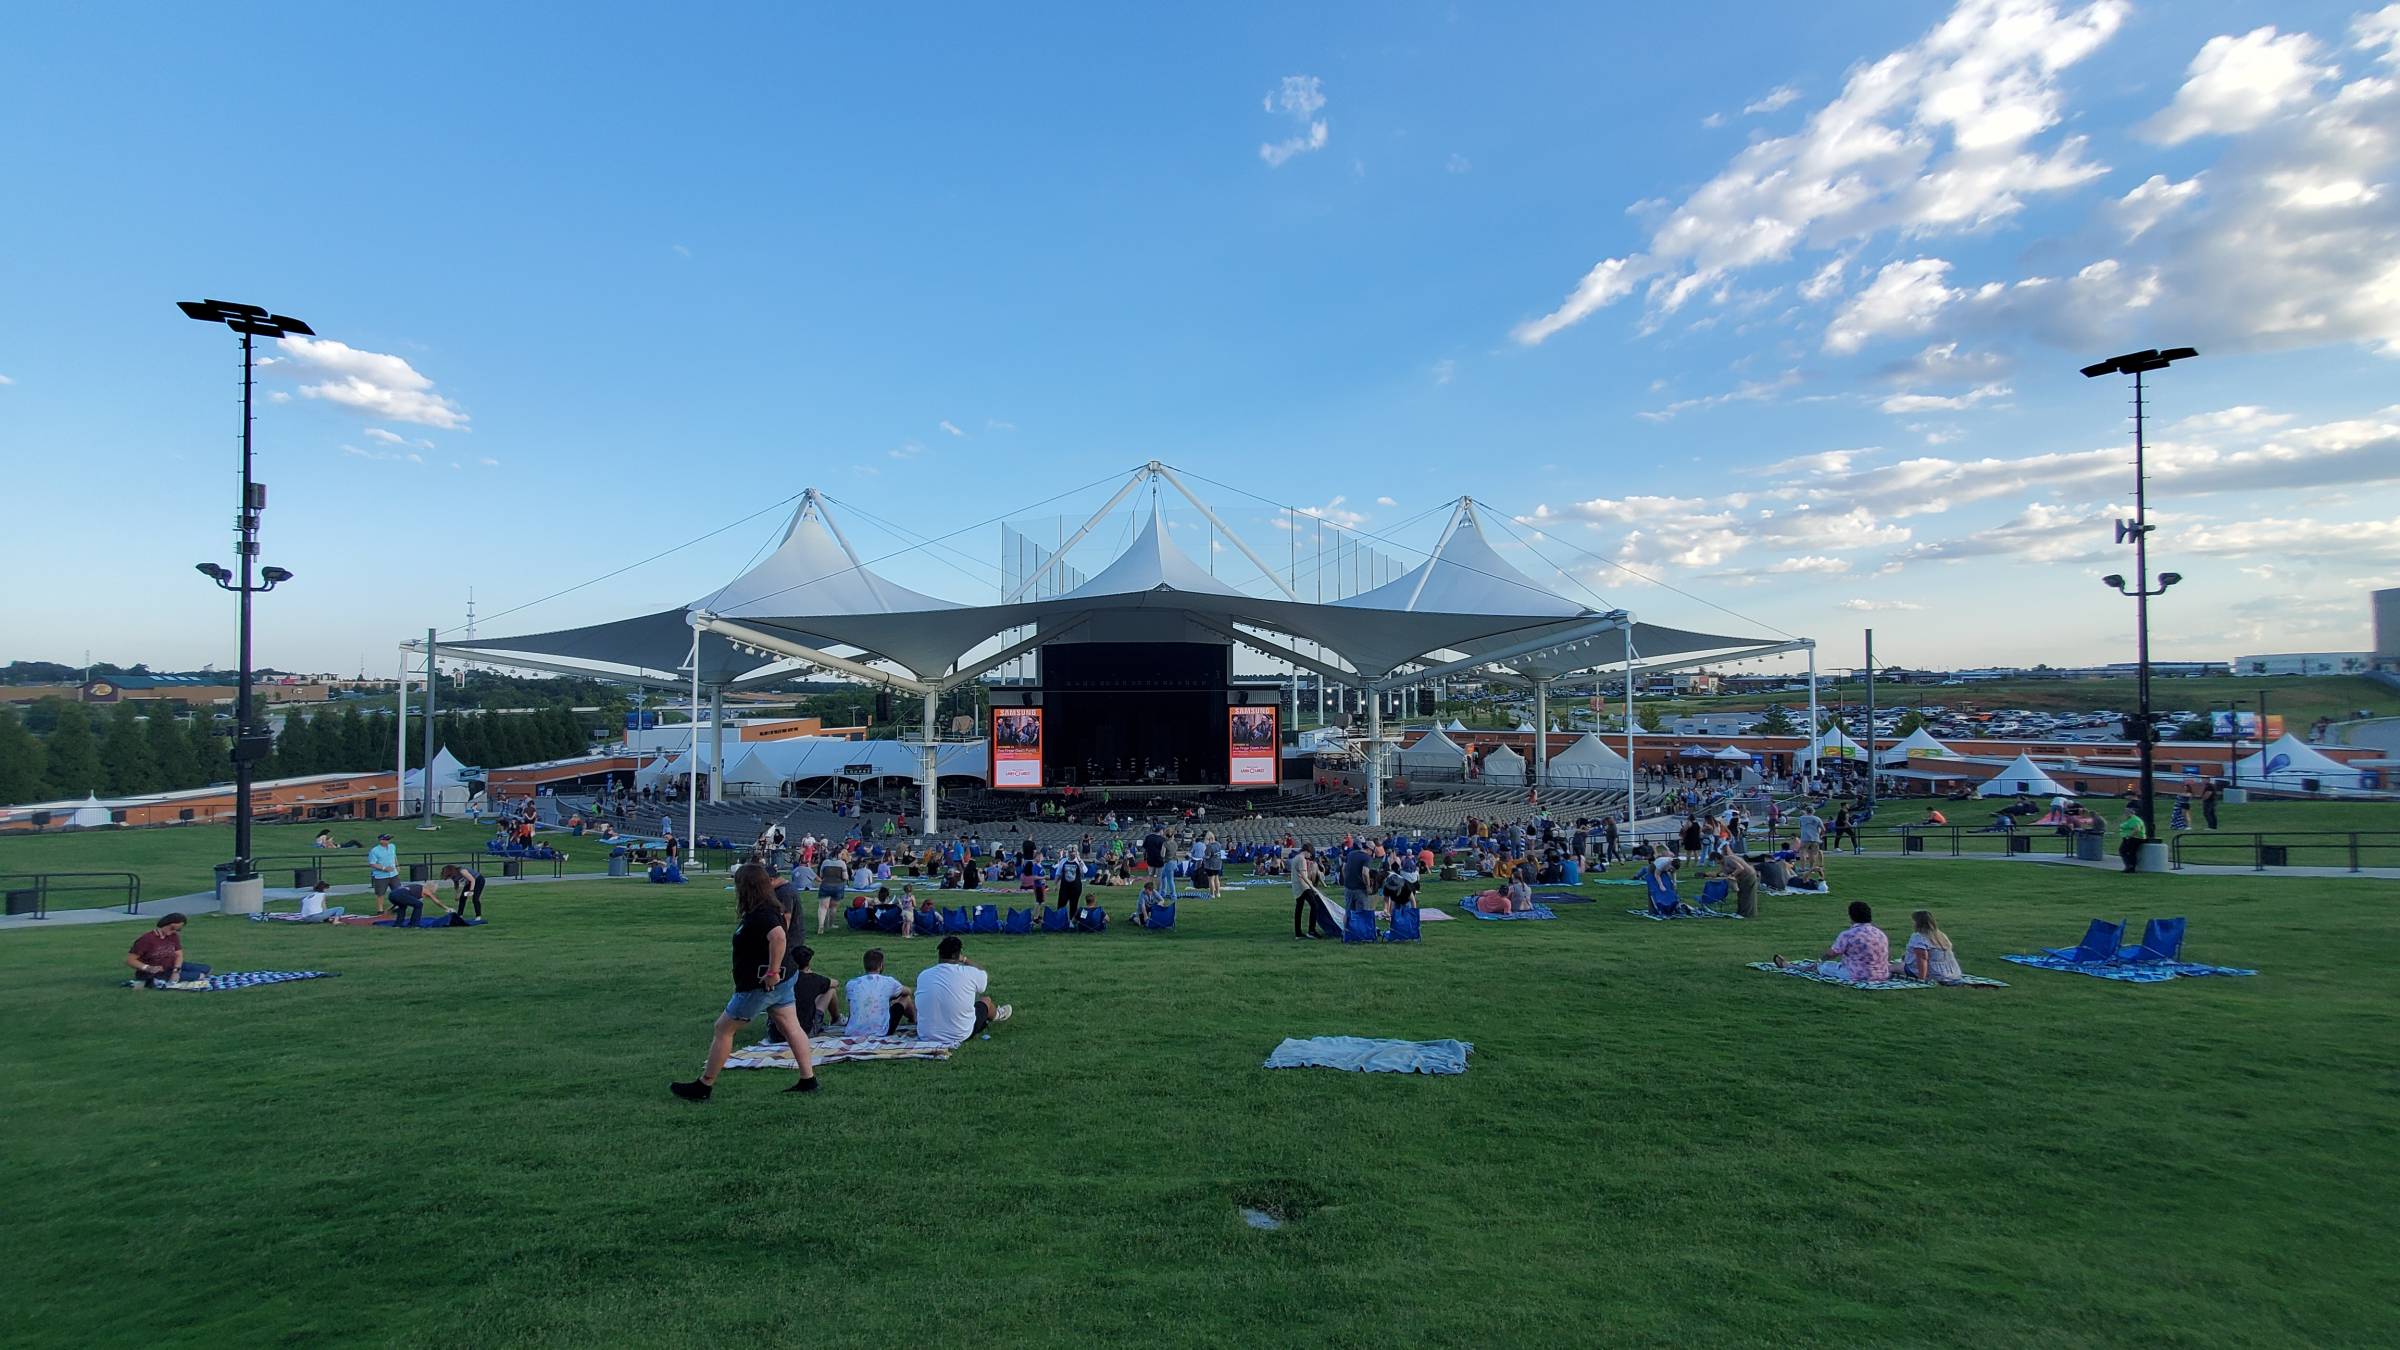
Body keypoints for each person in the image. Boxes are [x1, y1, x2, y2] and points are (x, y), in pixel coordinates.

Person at [670, 867, 819, 1101]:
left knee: (723, 1029)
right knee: (790, 1027)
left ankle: (704, 1086)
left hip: (761, 986)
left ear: (746, 887)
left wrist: (771, 972)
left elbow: (779, 938)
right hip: (782, 981)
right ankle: (808, 1079)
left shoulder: (763, 914)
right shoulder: (771, 908)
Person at [915, 935, 1011, 1046]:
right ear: (958, 954)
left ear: (939, 954)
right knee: (986, 1001)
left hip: (926, 1034)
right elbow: (982, 974)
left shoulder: (924, 975)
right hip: (959, 1033)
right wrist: (964, 960)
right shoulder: (969, 973)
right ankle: (997, 1015)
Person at [1775, 901, 1890, 983]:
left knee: (1823, 967)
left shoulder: (1848, 934)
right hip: (1882, 973)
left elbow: (1832, 953)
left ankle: (1789, 967)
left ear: (1851, 916)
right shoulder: (1880, 934)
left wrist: (1820, 961)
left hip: (1856, 974)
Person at [846, 948, 914, 1038]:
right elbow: (908, 991)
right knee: (905, 998)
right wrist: (893, 996)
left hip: (853, 1032)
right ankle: (913, 1020)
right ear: (881, 965)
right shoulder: (888, 982)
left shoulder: (852, 984)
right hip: (881, 1031)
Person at [126, 913, 206, 986]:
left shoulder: (173, 936)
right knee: (200, 975)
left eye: (178, 930)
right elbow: (130, 960)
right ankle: (154, 981)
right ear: (165, 924)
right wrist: (148, 968)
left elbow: (179, 955)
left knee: (206, 969)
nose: (174, 931)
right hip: (156, 971)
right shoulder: (146, 939)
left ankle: (178, 976)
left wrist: (176, 971)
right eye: (172, 928)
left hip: (171, 965)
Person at [1903, 910, 1964, 983]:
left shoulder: (1919, 937)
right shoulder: (1941, 935)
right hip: (1953, 973)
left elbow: (1922, 959)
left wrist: (1921, 979)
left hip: (1934, 974)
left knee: (1894, 967)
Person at [1719, 850, 1760, 919]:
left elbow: (1740, 868)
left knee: (1746, 895)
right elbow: (1724, 871)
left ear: (1717, 859)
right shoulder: (1725, 861)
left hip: (1748, 876)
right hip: (1744, 877)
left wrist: (1732, 875)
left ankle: (1746, 913)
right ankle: (1741, 912)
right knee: (1741, 894)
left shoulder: (1729, 859)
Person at [366, 832, 399, 906]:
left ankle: (397, 907)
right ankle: (380, 910)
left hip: (393, 874)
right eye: (386, 839)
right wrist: (384, 868)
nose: (388, 841)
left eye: (388, 839)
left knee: (398, 891)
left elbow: (394, 856)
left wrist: (397, 866)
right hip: (381, 876)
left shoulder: (392, 846)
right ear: (381, 841)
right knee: (380, 894)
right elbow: (372, 863)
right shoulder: (374, 851)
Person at [2117, 805, 2149, 874]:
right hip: (2131, 838)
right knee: (2129, 852)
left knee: (2124, 851)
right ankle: (2130, 867)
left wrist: (2129, 836)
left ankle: (2130, 866)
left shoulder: (2135, 819)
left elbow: (2136, 829)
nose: (2124, 814)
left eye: (2126, 813)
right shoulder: (2130, 819)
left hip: (2135, 838)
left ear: (2130, 813)